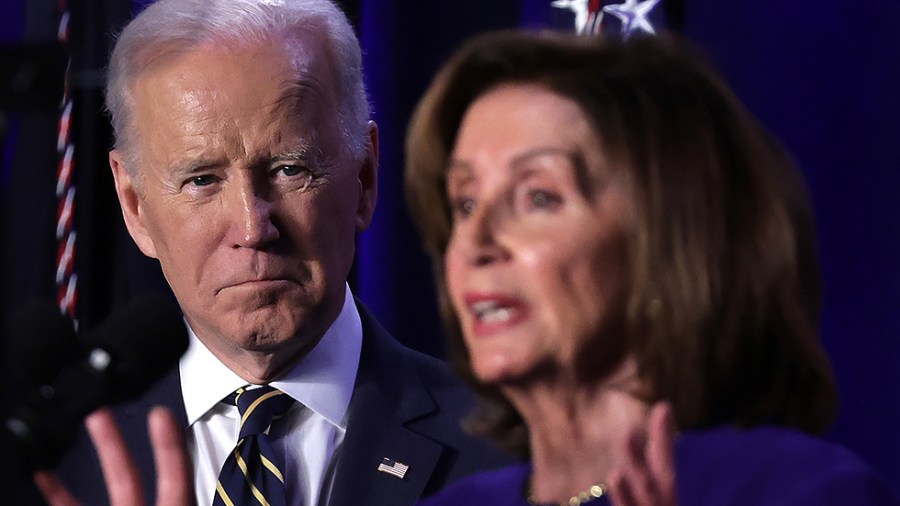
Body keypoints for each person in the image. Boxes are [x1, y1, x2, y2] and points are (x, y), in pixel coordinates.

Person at [32, 1, 510, 505]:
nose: (253, 227)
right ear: (134, 205)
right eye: (201, 180)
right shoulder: (49, 464)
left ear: (364, 179)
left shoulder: (510, 445)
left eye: (289, 170)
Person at [403, 31, 900, 505]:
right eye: (464, 204)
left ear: (666, 241)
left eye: (538, 197)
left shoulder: (803, 492)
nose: (475, 243)